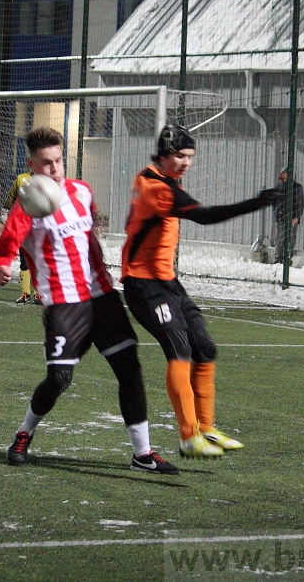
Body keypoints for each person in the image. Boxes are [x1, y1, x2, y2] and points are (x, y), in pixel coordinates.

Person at [0, 127, 178, 475]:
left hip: (102, 297)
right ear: (31, 164)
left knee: (130, 369)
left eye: (59, 161)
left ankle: (142, 453)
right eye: (46, 163)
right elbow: (5, 248)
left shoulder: (81, 191)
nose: (55, 169)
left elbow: (91, 234)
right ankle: (23, 433)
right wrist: (1, 267)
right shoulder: (27, 206)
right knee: (59, 379)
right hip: (65, 305)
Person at [121, 124, 281, 458]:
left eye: (190, 157)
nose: (186, 163)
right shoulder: (156, 187)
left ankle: (206, 430)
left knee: (205, 348)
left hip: (166, 281)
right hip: (144, 285)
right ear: (164, 155)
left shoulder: (154, 178)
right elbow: (205, 217)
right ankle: (188, 437)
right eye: (180, 156)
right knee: (179, 349)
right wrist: (257, 202)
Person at [2, 171, 40, 304]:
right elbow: (11, 196)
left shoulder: (48, 181)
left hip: (40, 226)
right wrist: (5, 211)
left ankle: (38, 294)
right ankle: (25, 293)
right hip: (23, 225)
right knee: (25, 260)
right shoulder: (21, 178)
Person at [272, 168, 304, 265]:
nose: (283, 175)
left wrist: (297, 217)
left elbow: (300, 203)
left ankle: (287, 258)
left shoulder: (297, 187)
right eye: (282, 173)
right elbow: (275, 202)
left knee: (290, 238)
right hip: (281, 217)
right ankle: (278, 258)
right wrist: (276, 212)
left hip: (292, 218)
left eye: (285, 173)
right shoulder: (279, 187)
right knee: (279, 237)